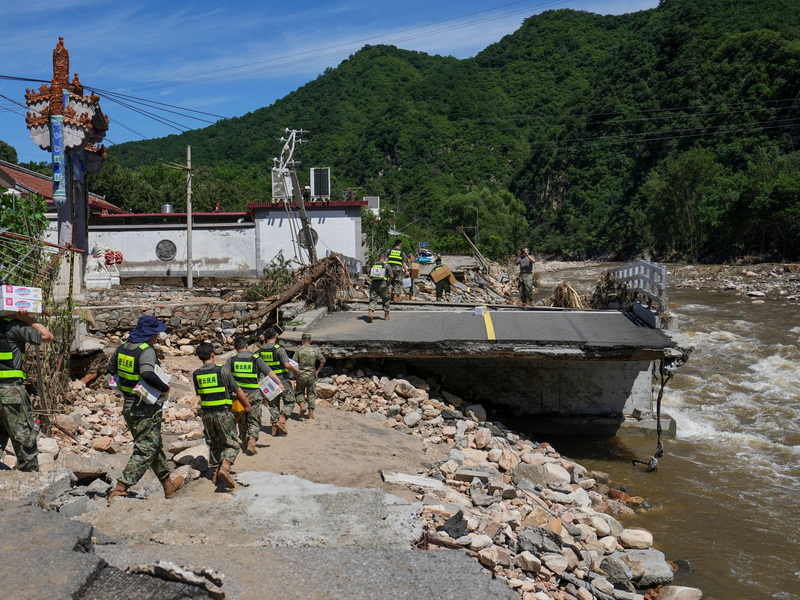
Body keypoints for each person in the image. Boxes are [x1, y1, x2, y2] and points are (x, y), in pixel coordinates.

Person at [107, 315, 184, 502]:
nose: (157, 336)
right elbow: (147, 373)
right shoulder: (146, 350)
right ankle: (121, 487)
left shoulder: (122, 347)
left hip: (129, 405)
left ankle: (168, 485)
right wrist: (164, 387)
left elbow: (111, 369)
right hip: (145, 407)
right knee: (146, 448)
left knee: (153, 444)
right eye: (156, 333)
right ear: (150, 334)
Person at [0, 309, 53, 472]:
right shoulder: (13, 327)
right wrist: (27, 318)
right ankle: (30, 481)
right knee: (24, 438)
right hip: (10, 391)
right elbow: (47, 336)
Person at [193, 341, 251, 489]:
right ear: (213, 354)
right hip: (223, 413)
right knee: (232, 444)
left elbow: (199, 393)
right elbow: (237, 390)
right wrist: (246, 404)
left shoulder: (196, 374)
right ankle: (225, 467)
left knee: (214, 443)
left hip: (206, 415)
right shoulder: (222, 371)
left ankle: (215, 473)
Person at [226, 335, 283, 455]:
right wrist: (279, 383)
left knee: (241, 419)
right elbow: (269, 372)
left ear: (235, 347)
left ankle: (244, 441)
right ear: (246, 345)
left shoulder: (231, 360)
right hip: (254, 395)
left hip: (238, 396)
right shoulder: (256, 358)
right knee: (254, 419)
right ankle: (252, 440)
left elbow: (224, 376)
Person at [259, 328, 299, 436]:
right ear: (276, 336)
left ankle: (274, 429)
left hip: (268, 381)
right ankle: (281, 420)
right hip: (282, 379)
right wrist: (295, 371)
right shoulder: (279, 349)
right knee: (290, 401)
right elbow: (286, 365)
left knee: (273, 405)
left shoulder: (261, 350)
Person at [293, 333, 326, 420]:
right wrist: (318, 371)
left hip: (301, 375)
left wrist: (295, 373)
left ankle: (302, 405)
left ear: (302, 341)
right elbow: (323, 360)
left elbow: (293, 363)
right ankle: (310, 413)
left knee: (299, 392)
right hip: (311, 375)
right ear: (310, 341)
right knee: (311, 394)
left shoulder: (299, 350)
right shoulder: (315, 350)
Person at [368, 251, 394, 323]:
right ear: (384, 258)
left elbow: (369, 275)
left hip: (374, 283)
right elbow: (391, 276)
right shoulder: (386, 265)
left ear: (379, 258)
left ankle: (371, 312)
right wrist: (389, 282)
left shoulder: (374, 264)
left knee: (373, 299)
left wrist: (372, 280)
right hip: (383, 284)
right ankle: (386, 315)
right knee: (385, 299)